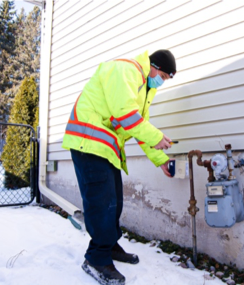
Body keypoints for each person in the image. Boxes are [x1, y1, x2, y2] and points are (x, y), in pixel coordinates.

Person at [62, 50, 177, 285]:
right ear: (153, 66)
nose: (161, 82)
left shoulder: (145, 88)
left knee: (114, 202)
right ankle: (96, 258)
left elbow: (138, 126)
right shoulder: (126, 70)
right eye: (163, 76)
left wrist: (161, 159)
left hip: (105, 146)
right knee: (102, 203)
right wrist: (156, 136)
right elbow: (125, 114)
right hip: (88, 141)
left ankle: (109, 246)